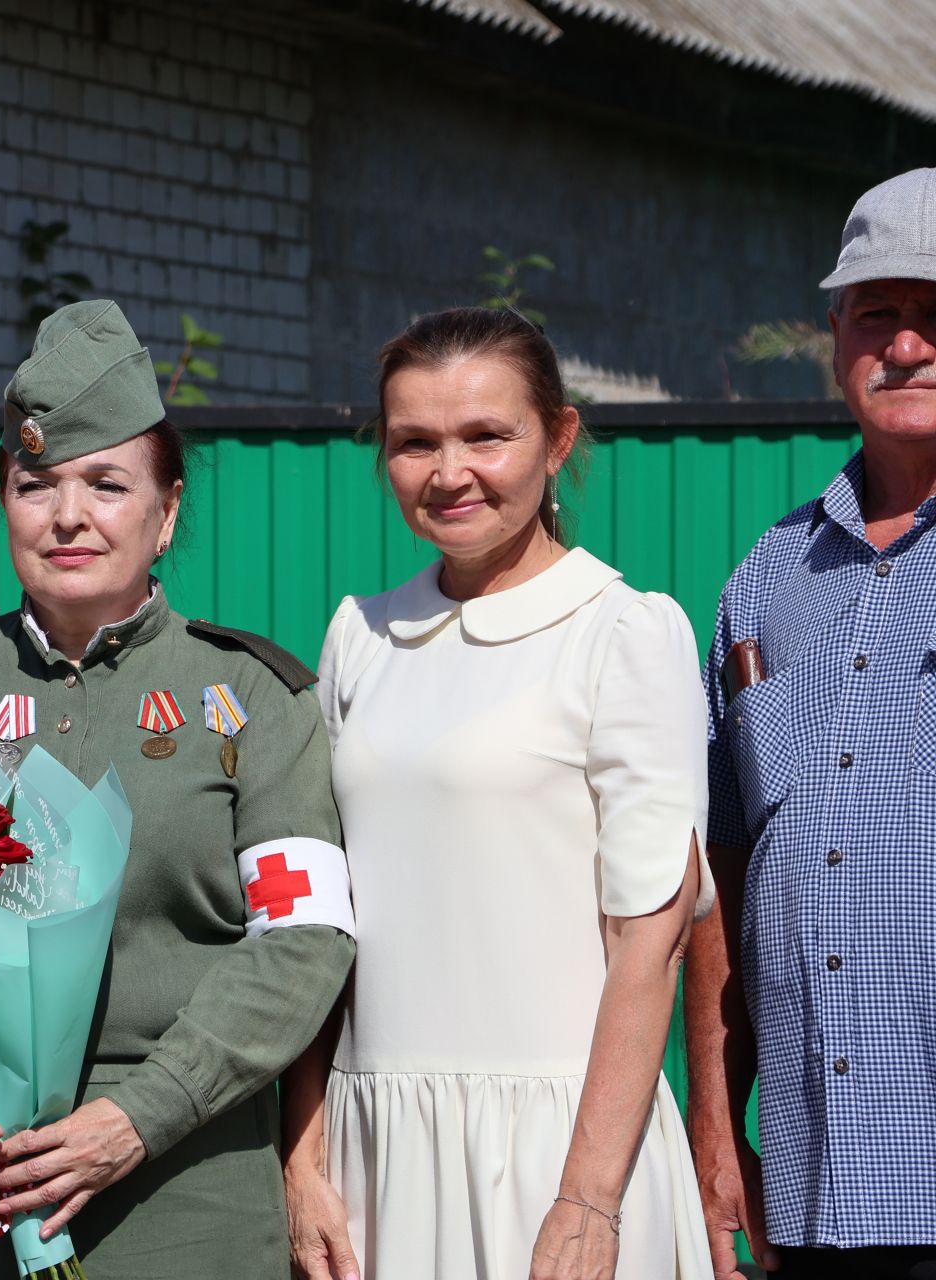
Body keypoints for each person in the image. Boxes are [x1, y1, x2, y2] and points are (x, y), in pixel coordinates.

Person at [0, 299, 356, 1278]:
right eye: (36, 483)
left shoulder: (251, 695)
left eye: (107, 483)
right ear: (4, 498)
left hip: (181, 1183)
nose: (69, 515)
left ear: (166, 512)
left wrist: (142, 1113)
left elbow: (303, 944)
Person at [283, 306, 713, 1280]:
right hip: (372, 1158)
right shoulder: (360, 633)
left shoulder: (625, 633)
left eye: (486, 435)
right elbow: (317, 925)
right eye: (415, 442)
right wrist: (303, 1155)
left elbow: (651, 938)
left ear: (557, 439)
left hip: (561, 1160)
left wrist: (588, 1199)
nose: (449, 472)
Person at [686, 168, 936, 1280]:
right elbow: (723, 881)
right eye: (878, 312)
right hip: (815, 1175)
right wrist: (711, 1120)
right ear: (836, 332)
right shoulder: (768, 580)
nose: (909, 345)